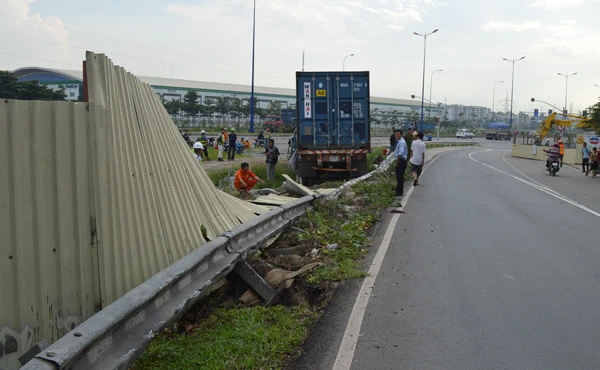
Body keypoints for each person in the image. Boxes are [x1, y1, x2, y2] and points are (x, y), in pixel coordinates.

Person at [392, 129, 408, 198]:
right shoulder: (399, 141)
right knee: (399, 177)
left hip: (401, 161)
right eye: (395, 134)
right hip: (401, 160)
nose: (396, 135)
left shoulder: (401, 142)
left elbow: (400, 153)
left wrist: (397, 160)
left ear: (401, 134)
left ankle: (399, 192)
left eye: (398, 134)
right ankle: (398, 190)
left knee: (399, 177)